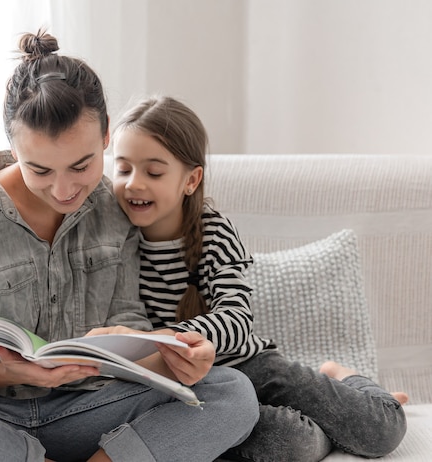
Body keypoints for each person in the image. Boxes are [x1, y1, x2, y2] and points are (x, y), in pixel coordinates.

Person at [0, 31, 259, 462]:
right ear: (13, 147)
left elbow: (127, 336)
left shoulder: (114, 209)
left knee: (230, 392)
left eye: (82, 165)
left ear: (107, 136)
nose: (64, 190)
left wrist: (178, 359)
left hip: (92, 410)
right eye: (39, 170)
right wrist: (7, 371)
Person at [101, 94, 408, 461]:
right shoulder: (116, 239)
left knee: (382, 429)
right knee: (291, 442)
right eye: (122, 169)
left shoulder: (214, 232)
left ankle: (340, 376)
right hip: (195, 389)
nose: (134, 184)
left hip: (250, 366)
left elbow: (237, 318)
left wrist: (174, 338)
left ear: (191, 179)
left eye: (153, 172)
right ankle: (324, 427)